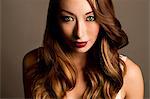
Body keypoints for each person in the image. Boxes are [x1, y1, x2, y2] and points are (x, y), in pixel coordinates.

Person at [23, 0, 144, 98]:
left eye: (90, 18)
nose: (79, 33)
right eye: (68, 18)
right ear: (55, 21)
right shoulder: (34, 62)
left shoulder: (129, 75)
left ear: (104, 19)